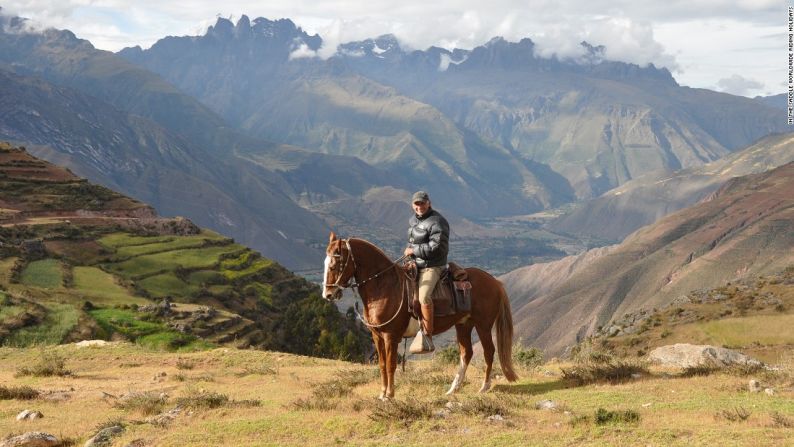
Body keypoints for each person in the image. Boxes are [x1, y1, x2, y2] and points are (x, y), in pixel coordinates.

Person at [404, 190, 449, 353]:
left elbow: (438, 248)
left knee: (423, 296)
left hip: (433, 266)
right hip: (416, 264)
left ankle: (427, 335)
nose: (419, 206)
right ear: (412, 205)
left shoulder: (438, 221)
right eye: (416, 204)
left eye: (422, 203)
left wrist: (414, 250)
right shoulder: (413, 220)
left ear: (428, 203)